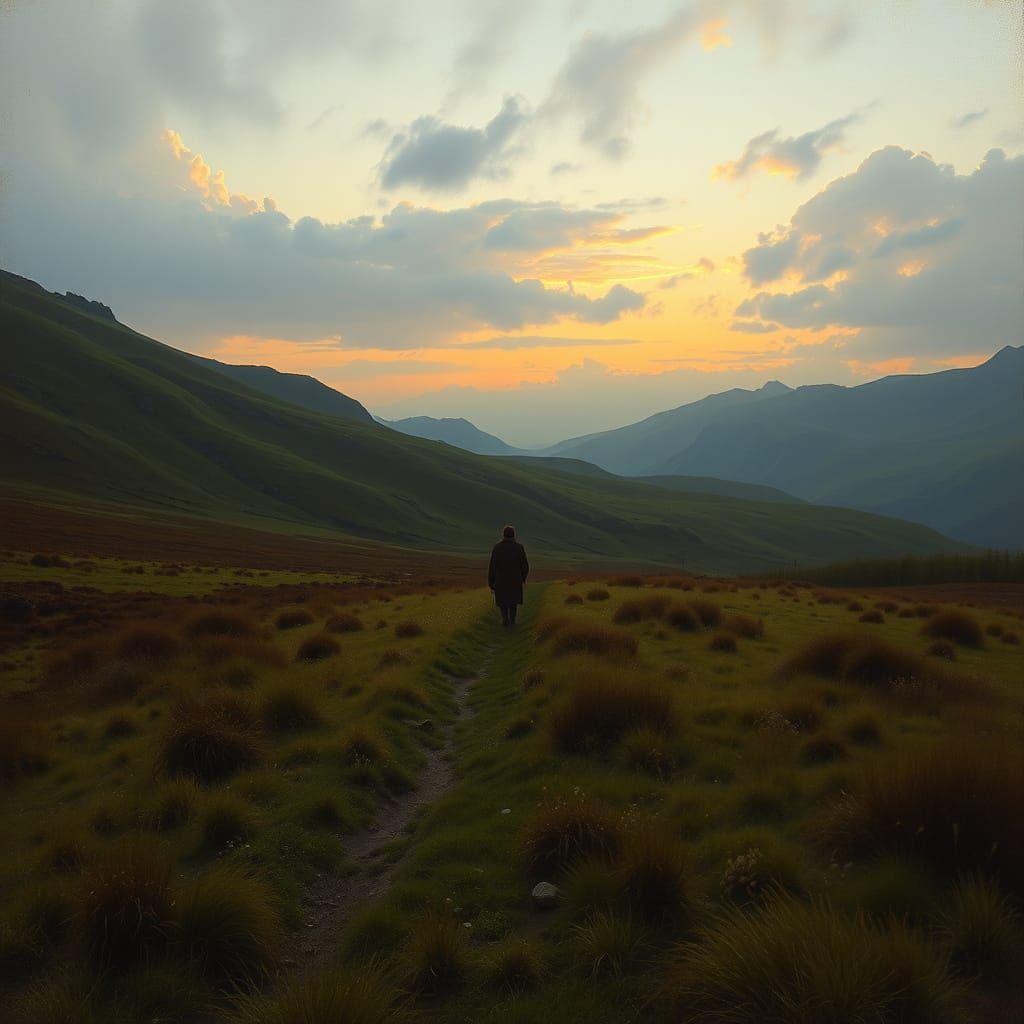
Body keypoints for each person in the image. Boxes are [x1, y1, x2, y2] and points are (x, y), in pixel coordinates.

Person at [488, 524, 529, 627]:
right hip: (515, 580)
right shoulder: (519, 547)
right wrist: (523, 578)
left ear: (504, 535)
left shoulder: (497, 548)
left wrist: (491, 583)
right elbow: (525, 566)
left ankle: (505, 619)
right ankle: (513, 621)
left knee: (503, 601)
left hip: (500, 580)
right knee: (513, 602)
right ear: (513, 535)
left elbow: (492, 566)